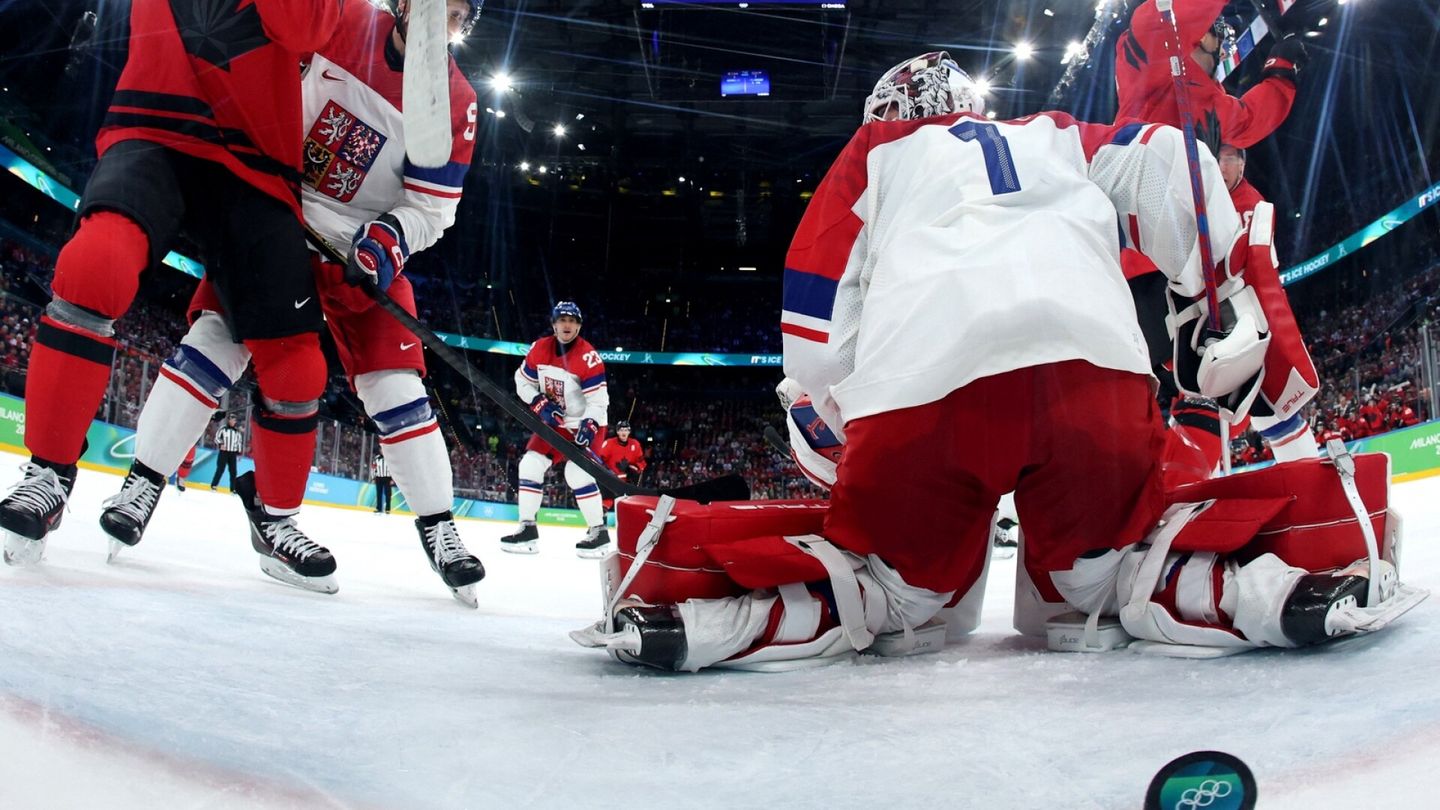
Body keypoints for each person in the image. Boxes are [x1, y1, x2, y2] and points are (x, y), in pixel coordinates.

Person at [574, 52, 1413, 672]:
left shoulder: (874, 157)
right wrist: (1211, 286)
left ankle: (712, 619)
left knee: (905, 603)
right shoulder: (1050, 133)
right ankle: (1257, 595)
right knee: (1094, 590)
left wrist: (834, 437)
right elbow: (1172, 158)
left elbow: (816, 323)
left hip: (928, 390)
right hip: (1096, 367)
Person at [95, 0, 486, 604]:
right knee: (214, 344)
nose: (442, 21)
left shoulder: (456, 100)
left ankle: (440, 528)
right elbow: (260, 79)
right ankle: (143, 482)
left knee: (398, 389)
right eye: (437, 5)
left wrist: (387, 242)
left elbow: (434, 208)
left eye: (456, 15)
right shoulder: (343, 21)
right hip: (276, 214)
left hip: (359, 246)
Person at [0, 0, 343, 567]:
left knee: (298, 363)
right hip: (155, 120)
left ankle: (277, 519)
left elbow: (304, 27)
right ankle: (49, 471)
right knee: (95, 265)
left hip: (258, 158)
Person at [501, 301, 611, 558]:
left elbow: (599, 400)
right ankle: (527, 528)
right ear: (553, 324)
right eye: (562, 320)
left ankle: (599, 532)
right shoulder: (540, 348)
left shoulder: (588, 356)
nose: (567, 325)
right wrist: (538, 402)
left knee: (577, 473)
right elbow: (522, 382)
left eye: (572, 321)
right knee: (529, 464)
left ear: (579, 326)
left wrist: (590, 423)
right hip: (556, 423)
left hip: (586, 423)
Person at [597, 419, 645, 512]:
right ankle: (600, 519)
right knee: (605, 504)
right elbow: (600, 460)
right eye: (621, 430)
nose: (624, 432)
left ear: (629, 431)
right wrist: (606, 470)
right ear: (617, 431)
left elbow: (641, 464)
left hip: (627, 482)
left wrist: (632, 468)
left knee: (629, 507)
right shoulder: (609, 443)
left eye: (626, 430)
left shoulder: (635, 444)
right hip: (610, 480)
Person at [210, 414, 244, 491]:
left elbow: (239, 442)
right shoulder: (223, 429)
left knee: (233, 472)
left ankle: (233, 488)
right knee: (220, 469)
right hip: (224, 452)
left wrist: (239, 453)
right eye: (231, 419)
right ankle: (214, 485)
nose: (232, 421)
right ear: (228, 420)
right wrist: (221, 444)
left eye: (234, 420)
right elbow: (217, 438)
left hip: (233, 453)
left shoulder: (237, 432)